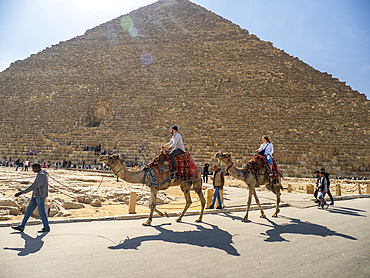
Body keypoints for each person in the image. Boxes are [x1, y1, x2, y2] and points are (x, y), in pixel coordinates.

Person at [11, 163, 50, 233]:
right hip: (35, 196)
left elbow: (33, 186)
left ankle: (46, 227)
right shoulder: (40, 173)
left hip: (40, 196)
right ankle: (21, 226)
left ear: (37, 168)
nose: (32, 170)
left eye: (33, 168)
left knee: (42, 212)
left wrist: (21, 192)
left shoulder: (42, 175)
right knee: (28, 211)